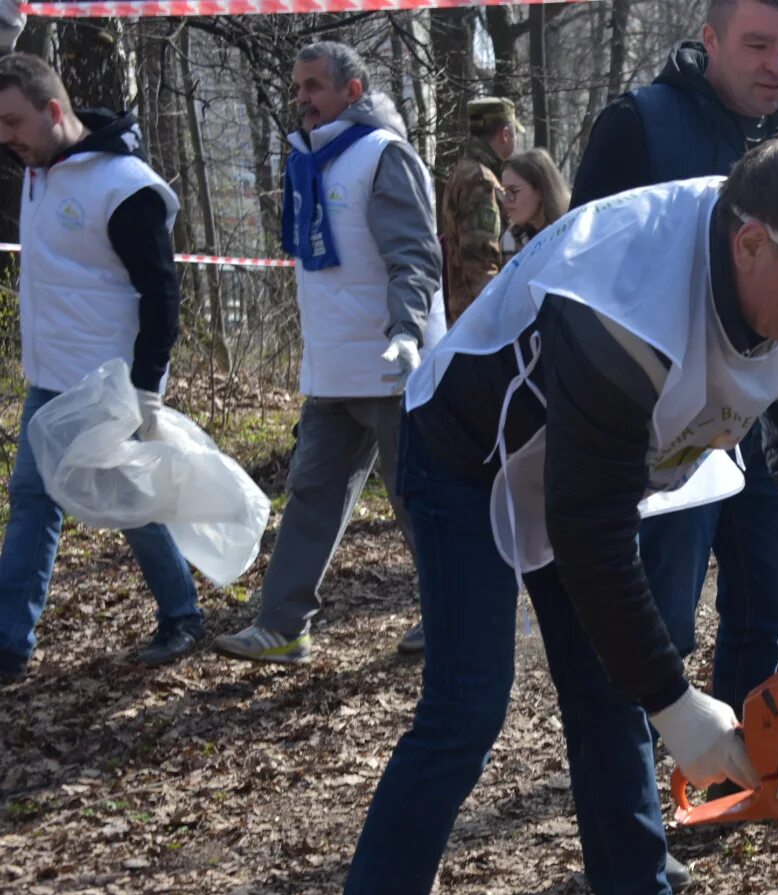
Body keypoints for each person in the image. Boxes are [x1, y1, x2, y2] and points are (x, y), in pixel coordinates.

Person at [320, 135, 778, 895]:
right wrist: (676, 703)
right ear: (751, 243)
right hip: (470, 457)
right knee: (467, 707)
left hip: (592, 469)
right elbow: (591, 534)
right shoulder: (622, 293)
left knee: (606, 690)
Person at [569, 0, 778, 833]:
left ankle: (751, 770)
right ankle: (643, 803)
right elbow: (589, 271)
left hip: (766, 403)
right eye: (757, 45)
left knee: (766, 597)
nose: (777, 64)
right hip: (664, 417)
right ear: (711, 39)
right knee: (664, 607)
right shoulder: (640, 127)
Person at [214, 41, 443, 665]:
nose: (302, 100)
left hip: (396, 368)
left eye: (314, 86)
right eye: (297, 88)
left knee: (418, 503)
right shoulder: (308, 162)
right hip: (334, 373)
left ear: (353, 89)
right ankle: (283, 626)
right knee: (311, 493)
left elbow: (414, 257)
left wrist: (406, 330)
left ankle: (455, 618)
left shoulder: (383, 156)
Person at [0, 53, 205, 683]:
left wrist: (146, 387)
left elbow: (163, 293)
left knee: (126, 501)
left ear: (54, 111)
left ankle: (183, 614)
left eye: (12, 122)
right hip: (52, 377)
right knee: (35, 496)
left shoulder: (124, 185)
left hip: (110, 383)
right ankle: (10, 642)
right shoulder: (40, 169)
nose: (5, 137)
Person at [441, 97, 519, 324]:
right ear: (505, 134)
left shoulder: (464, 170)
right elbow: (482, 263)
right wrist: (498, 317)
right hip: (480, 321)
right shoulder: (481, 180)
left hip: (466, 315)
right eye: (515, 133)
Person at [499, 147, 569, 256]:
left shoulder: (571, 231)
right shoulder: (512, 238)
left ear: (541, 190)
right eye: (504, 191)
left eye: (513, 191)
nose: (506, 201)